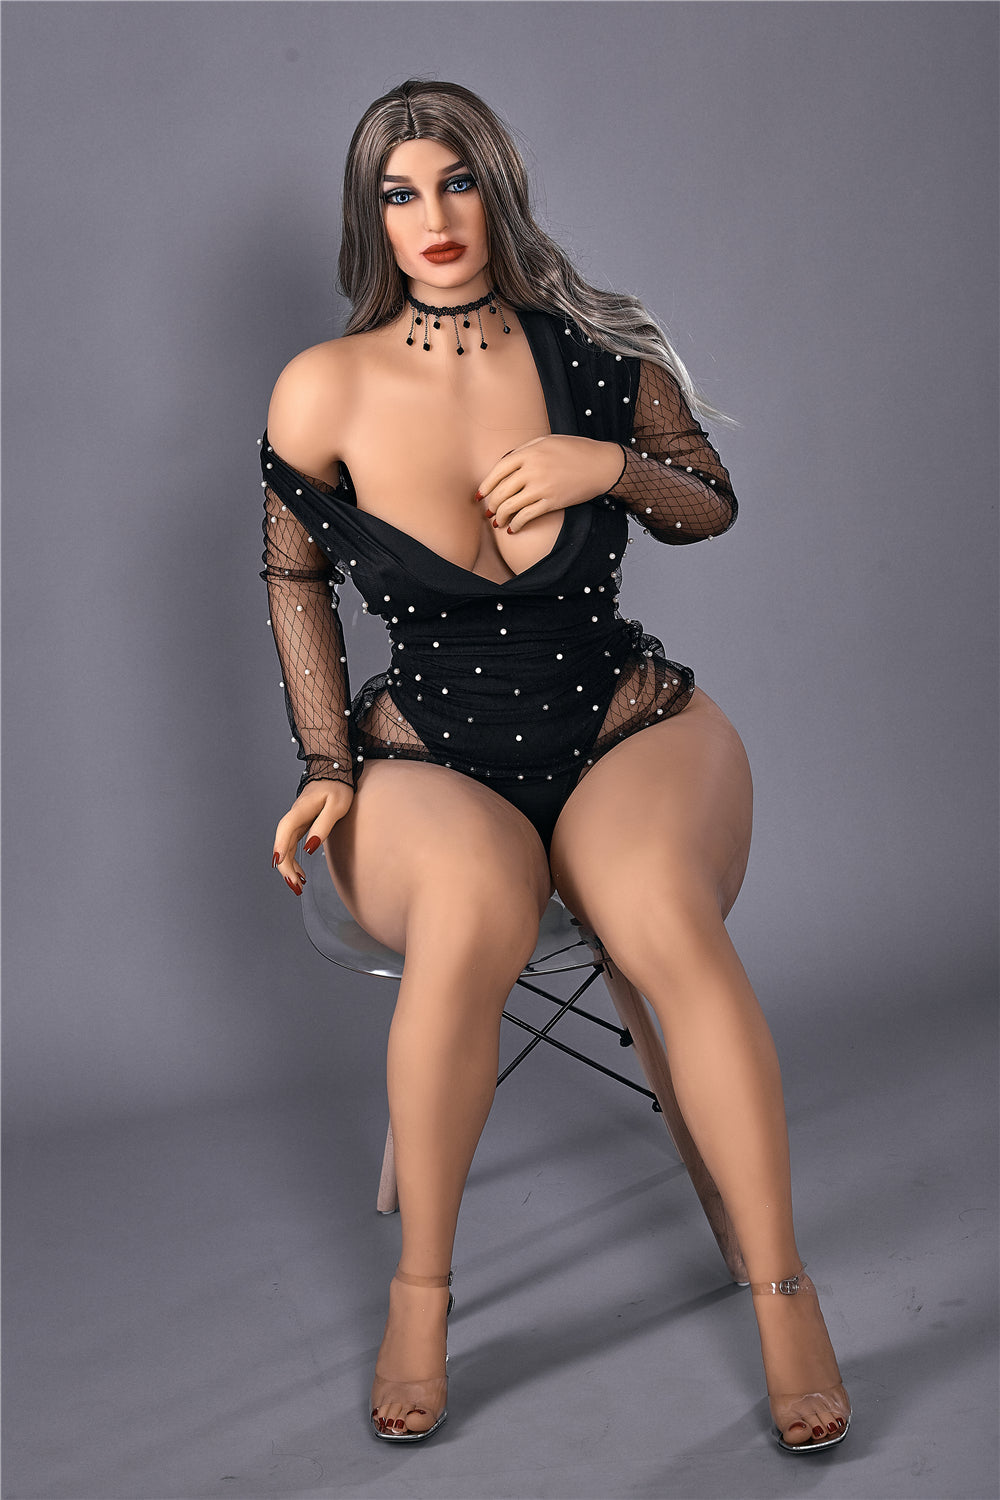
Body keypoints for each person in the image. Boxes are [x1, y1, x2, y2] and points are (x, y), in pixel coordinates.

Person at [259, 78, 851, 1452]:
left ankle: (784, 1292)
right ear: (370, 217)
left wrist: (609, 468)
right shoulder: (324, 386)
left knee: (660, 920)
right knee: (471, 916)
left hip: (624, 727)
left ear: (500, 190)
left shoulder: (595, 355)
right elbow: (294, 576)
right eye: (401, 193)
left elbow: (708, 506)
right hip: (428, 759)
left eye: (457, 181)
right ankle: (420, 1298)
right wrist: (327, 760)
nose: (434, 216)